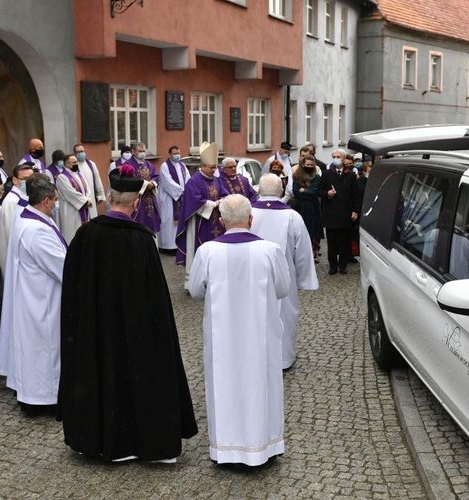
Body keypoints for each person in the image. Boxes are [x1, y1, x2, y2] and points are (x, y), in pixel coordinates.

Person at [58, 165, 198, 462]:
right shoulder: (141, 240)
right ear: (136, 204)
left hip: (96, 329)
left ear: (109, 198)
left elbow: (72, 292)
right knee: (134, 377)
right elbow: (156, 299)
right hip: (134, 333)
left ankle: (96, 438)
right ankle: (138, 439)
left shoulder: (85, 235)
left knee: (100, 374)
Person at [188, 194, 290, 467]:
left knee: (224, 384)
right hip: (261, 334)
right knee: (261, 383)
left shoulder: (207, 251)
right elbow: (283, 289)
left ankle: (226, 449)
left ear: (221, 222)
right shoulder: (270, 250)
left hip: (223, 336)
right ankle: (264, 446)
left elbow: (196, 291)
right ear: (251, 219)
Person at [0, 173, 67, 416]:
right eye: (56, 200)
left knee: (34, 351)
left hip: (33, 296)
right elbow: (63, 267)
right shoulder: (37, 230)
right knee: (45, 352)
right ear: (46, 201)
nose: (57, 204)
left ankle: (32, 396)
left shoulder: (27, 217)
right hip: (42, 301)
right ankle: (45, 399)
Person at [251, 174, 318, 370]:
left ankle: (256, 357)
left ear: (259, 191)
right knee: (285, 316)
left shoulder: (248, 214)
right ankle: (283, 359)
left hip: (253, 276)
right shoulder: (292, 217)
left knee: (255, 315)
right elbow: (303, 252)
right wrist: (303, 279)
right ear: (281, 191)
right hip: (284, 278)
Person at [176, 141, 224, 289]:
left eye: (215, 167)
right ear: (202, 166)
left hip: (215, 222)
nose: (214, 170)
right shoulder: (193, 181)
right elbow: (194, 201)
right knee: (197, 250)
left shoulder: (216, 180)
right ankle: (194, 283)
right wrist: (214, 204)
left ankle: (214, 279)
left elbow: (224, 193)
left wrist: (225, 200)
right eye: (211, 167)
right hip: (198, 223)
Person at [319, 149, 359, 275]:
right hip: (331, 213)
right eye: (334, 156)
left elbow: (355, 195)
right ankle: (332, 266)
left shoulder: (351, 175)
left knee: (344, 241)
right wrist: (327, 194)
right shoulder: (326, 174)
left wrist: (355, 211)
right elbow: (319, 191)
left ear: (343, 159)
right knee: (331, 242)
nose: (336, 159)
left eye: (338, 157)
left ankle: (343, 265)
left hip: (345, 213)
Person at [0, 162, 35, 273]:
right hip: (15, 257)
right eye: (25, 179)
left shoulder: (25, 196)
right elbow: (13, 234)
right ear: (14, 180)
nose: (29, 182)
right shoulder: (12, 202)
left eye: (31, 178)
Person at [291, 154, 324, 263]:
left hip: (313, 207)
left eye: (311, 165)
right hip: (301, 207)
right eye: (307, 164)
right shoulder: (297, 176)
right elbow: (295, 192)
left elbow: (315, 191)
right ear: (303, 164)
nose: (309, 166)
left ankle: (314, 253)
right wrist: (307, 192)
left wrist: (304, 190)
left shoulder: (317, 177)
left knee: (313, 232)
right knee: (301, 231)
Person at [157, 145, 190, 253]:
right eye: (175, 154)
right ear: (170, 154)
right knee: (168, 221)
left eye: (178, 153)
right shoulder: (165, 166)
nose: (177, 155)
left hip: (181, 197)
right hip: (169, 198)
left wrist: (188, 190)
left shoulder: (182, 165)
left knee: (179, 222)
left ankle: (177, 245)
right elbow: (168, 181)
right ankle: (167, 246)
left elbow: (188, 179)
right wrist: (181, 191)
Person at [56, 153, 91, 243]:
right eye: (74, 162)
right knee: (72, 235)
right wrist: (84, 201)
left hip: (83, 207)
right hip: (71, 210)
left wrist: (87, 198)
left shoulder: (79, 174)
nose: (77, 164)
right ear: (67, 164)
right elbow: (70, 193)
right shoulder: (62, 177)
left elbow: (87, 189)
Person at [127, 142, 161, 233]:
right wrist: (146, 184)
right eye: (140, 151)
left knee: (151, 224)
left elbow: (156, 175)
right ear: (133, 152)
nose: (142, 153)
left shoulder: (148, 164)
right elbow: (130, 179)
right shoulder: (128, 165)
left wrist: (153, 183)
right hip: (137, 199)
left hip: (150, 198)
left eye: (144, 151)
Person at [73, 143, 107, 218]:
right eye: (78, 152)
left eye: (82, 151)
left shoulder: (91, 164)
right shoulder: (73, 166)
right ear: (74, 154)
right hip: (81, 199)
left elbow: (97, 180)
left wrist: (101, 195)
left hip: (91, 198)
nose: (81, 153)